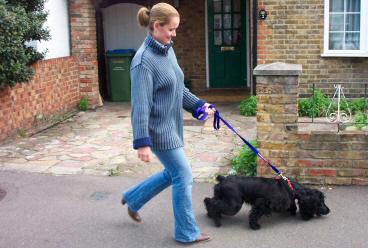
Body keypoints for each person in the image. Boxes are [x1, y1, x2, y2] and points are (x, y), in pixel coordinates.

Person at [121, 2, 214, 244]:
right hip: (158, 131)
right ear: (156, 25)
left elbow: (177, 87)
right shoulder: (143, 62)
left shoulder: (166, 49)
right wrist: (142, 142)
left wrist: (198, 105)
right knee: (183, 175)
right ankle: (186, 232)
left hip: (173, 125)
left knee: (173, 173)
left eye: (175, 29)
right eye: (170, 29)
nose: (174, 35)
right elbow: (140, 106)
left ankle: (133, 198)